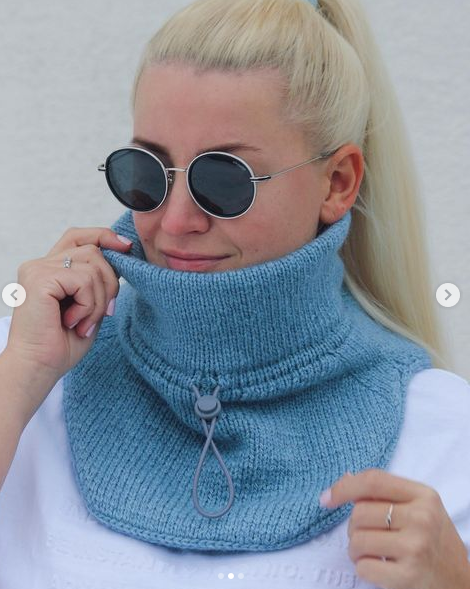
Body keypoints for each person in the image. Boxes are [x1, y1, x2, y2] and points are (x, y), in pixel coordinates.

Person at [0, 0, 469, 587]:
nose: (176, 221)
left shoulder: (444, 434)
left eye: (224, 179)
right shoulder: (30, 373)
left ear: (338, 183)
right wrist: (20, 375)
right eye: (147, 171)